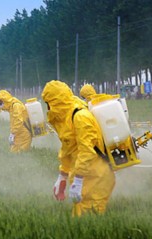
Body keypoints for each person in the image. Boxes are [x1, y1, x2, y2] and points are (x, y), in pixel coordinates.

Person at [41, 80, 116, 216]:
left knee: (89, 220)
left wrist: (78, 180)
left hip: (96, 177)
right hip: (86, 175)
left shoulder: (80, 116)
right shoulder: (66, 117)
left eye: (47, 103)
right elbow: (68, 147)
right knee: (80, 217)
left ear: (55, 102)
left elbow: (87, 151)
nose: (47, 108)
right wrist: (63, 175)